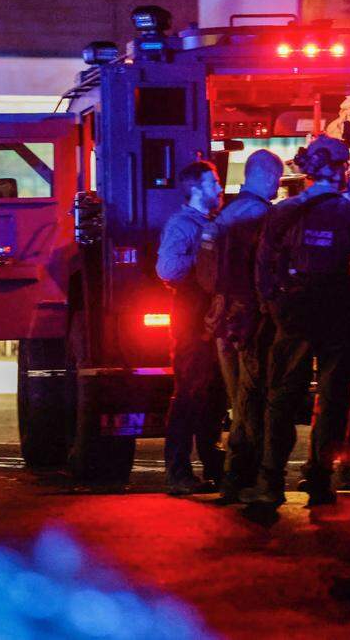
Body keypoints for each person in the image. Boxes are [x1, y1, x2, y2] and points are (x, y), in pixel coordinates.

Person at [245, 135, 350, 508]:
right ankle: (320, 481)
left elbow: (262, 265)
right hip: (336, 315)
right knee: (333, 399)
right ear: (341, 170)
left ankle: (270, 482)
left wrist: (271, 304)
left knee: (282, 398)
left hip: (292, 314)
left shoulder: (283, 212)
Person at [208, 150, 284, 503]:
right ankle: (241, 474)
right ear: (268, 177)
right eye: (278, 179)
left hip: (223, 317)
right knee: (252, 397)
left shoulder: (225, 214)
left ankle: (233, 475)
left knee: (237, 395)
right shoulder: (263, 217)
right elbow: (265, 273)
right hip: (251, 318)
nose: (278, 186)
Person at [156, 161, 227, 495]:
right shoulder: (182, 225)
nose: (219, 188)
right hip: (190, 322)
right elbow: (168, 269)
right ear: (196, 188)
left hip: (209, 322)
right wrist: (202, 254)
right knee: (189, 394)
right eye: (213, 182)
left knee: (212, 396)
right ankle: (178, 472)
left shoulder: (209, 222)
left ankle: (213, 467)